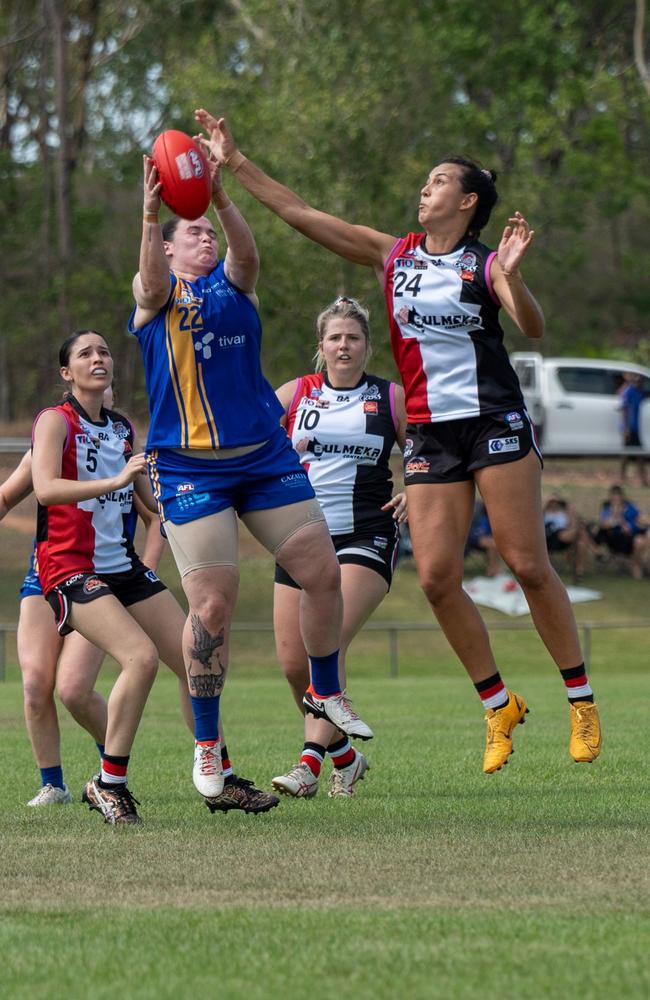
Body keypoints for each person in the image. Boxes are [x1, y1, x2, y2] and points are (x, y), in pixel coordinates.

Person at [195, 108, 602, 771]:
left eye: (440, 181)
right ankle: (499, 704)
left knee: (526, 563)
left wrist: (516, 276)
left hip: (494, 422)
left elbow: (530, 327)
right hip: (431, 438)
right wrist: (234, 164)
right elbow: (301, 214)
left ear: (467, 202)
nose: (427, 186)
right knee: (439, 581)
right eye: (428, 179)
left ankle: (581, 699)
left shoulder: (486, 261)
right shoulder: (395, 254)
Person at [129, 141, 373, 804]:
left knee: (321, 571)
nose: (205, 238)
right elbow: (148, 281)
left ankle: (325, 688)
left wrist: (222, 195)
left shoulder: (234, 286)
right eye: (194, 234)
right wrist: (153, 216)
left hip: (264, 459)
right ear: (172, 248)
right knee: (212, 607)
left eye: (209, 232)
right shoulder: (154, 296)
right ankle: (206, 741)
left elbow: (249, 254)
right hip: (192, 470)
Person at [30, 329, 277, 824]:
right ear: (66, 372)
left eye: (103, 351)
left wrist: (205, 499)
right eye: (85, 354)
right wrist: (116, 479)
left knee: (192, 661)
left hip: (123, 569)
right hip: (71, 569)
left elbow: (154, 506)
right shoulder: (54, 422)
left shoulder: (122, 430)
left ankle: (220, 776)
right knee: (137, 659)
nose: (98, 358)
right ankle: (109, 783)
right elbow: (44, 489)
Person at [272, 296, 407, 798]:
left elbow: (431, 450)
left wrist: (416, 487)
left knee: (327, 643)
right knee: (292, 664)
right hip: (301, 536)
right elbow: (254, 443)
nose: (344, 345)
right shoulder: (294, 394)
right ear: (321, 347)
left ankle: (308, 765)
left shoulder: (390, 397)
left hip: (366, 533)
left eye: (353, 338)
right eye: (335, 337)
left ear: (368, 348)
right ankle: (345, 759)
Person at [590, 484, 649, 580]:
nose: (616, 498)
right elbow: (603, 525)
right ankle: (636, 566)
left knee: (640, 540)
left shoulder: (630, 507)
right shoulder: (607, 509)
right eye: (614, 495)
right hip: (616, 539)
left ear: (622, 496)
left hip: (632, 537)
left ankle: (636, 565)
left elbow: (641, 518)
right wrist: (616, 514)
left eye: (618, 495)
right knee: (638, 541)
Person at [543, 495, 588, 581]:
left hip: (565, 537)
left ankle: (579, 571)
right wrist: (547, 501)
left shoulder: (563, 512)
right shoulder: (545, 513)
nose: (554, 504)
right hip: (551, 537)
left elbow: (569, 522)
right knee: (581, 531)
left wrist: (567, 505)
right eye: (552, 502)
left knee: (581, 542)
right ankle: (596, 552)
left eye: (556, 502)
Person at [619, 373, 647, 487]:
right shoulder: (629, 392)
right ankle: (623, 478)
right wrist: (626, 428)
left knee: (639, 455)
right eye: (637, 381)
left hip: (637, 428)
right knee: (627, 455)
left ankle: (643, 479)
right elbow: (625, 410)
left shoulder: (640, 393)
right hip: (630, 428)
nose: (639, 383)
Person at [464, 500, 501, 577]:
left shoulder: (496, 516)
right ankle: (493, 571)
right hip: (468, 539)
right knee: (492, 544)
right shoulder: (476, 511)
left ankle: (494, 571)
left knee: (493, 544)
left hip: (483, 539)